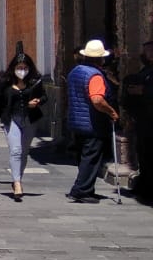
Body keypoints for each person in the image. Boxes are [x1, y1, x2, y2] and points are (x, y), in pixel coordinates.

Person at [0, 53, 48, 202]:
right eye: (19, 68)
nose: (22, 70)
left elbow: (44, 96)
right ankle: (18, 184)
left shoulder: (35, 82)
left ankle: (16, 178)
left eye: (25, 68)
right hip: (11, 119)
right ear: (13, 68)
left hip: (30, 120)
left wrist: (37, 101)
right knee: (16, 150)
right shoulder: (5, 83)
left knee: (24, 152)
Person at [65, 40, 120, 203]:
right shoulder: (95, 75)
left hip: (77, 122)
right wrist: (112, 112)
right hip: (92, 124)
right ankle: (82, 191)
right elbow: (97, 100)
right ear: (100, 59)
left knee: (84, 157)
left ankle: (83, 187)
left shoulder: (76, 71)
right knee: (91, 157)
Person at [125, 40, 153, 196]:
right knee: (143, 153)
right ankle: (145, 185)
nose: (145, 54)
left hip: (150, 120)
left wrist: (143, 91)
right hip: (143, 120)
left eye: (148, 51)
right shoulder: (146, 70)